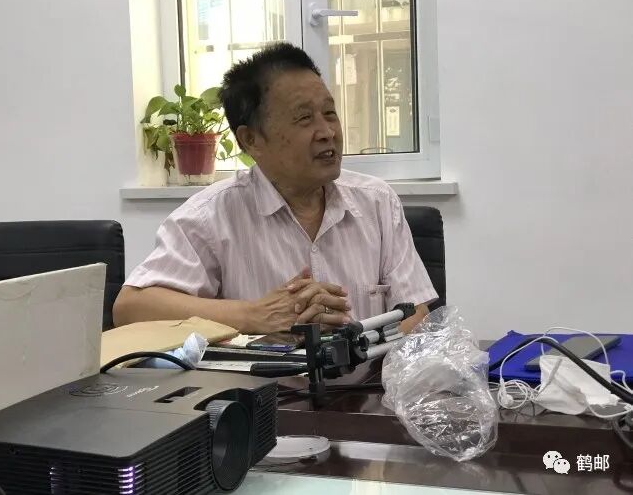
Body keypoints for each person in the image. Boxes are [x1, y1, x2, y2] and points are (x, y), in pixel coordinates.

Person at [113, 42, 437, 334]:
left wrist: (358, 346)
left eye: (329, 113)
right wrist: (252, 315)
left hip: (370, 382)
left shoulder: (377, 202)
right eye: (304, 118)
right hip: (264, 383)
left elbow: (415, 312)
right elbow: (130, 308)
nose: (327, 132)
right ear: (251, 140)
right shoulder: (210, 217)